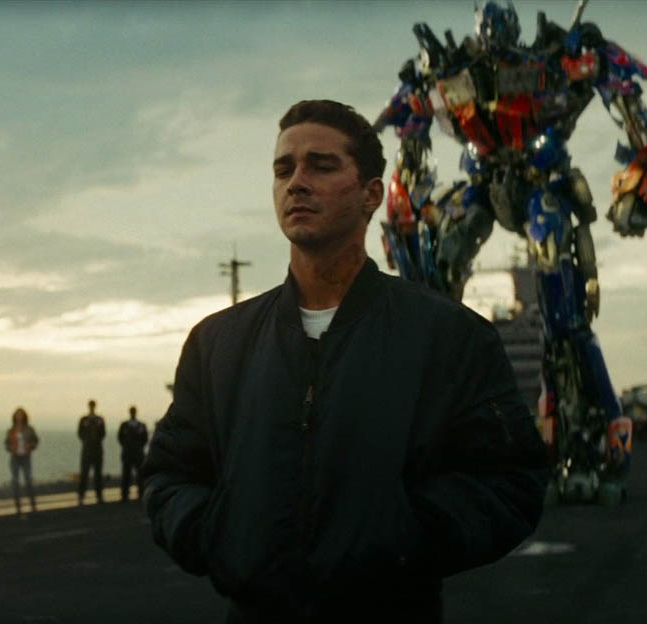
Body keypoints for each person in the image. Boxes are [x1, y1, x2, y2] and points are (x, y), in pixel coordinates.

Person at [142, 100, 549, 622]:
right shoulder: (218, 342)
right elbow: (170, 474)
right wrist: (219, 536)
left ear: (371, 195)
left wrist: (402, 543)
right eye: (283, 170)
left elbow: (510, 480)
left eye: (322, 165)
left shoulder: (450, 336)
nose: (297, 183)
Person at [6, 406, 40, 516]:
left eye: (21, 414)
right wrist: (10, 447)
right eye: (17, 414)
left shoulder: (29, 429)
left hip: (26, 457)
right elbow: (6, 443)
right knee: (15, 481)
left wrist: (30, 446)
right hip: (14, 458)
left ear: (24, 416)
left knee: (28, 480)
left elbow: (36, 441)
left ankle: (33, 504)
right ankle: (17, 506)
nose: (19, 416)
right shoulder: (11, 430)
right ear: (14, 416)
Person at [77, 399, 106, 504]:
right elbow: (80, 433)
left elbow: (103, 433)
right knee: (84, 474)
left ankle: (99, 495)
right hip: (87, 450)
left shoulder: (100, 419)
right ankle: (81, 496)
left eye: (93, 405)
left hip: (97, 450)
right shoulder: (84, 419)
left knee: (98, 474)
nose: (92, 407)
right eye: (91, 405)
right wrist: (87, 440)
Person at [117, 405, 150, 502]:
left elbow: (145, 438)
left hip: (137, 453)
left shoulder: (140, 425)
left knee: (139, 474)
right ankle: (125, 495)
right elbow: (120, 438)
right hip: (129, 452)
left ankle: (140, 494)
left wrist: (137, 446)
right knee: (126, 474)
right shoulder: (125, 425)